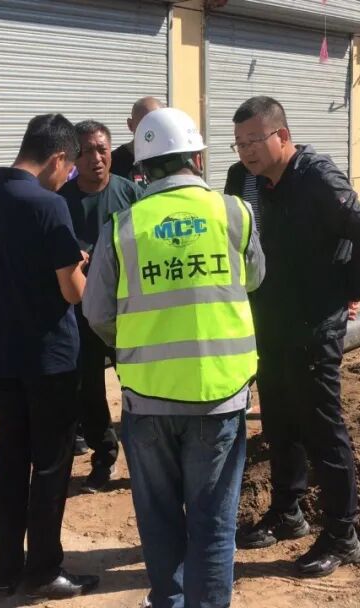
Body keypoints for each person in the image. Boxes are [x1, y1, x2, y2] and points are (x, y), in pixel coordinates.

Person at [84, 107, 265, 608]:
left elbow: (97, 312)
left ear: (142, 169)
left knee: (160, 520)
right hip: (220, 396)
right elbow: (254, 279)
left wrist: (137, 342)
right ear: (198, 158)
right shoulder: (234, 213)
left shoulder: (123, 226)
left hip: (147, 399)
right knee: (213, 524)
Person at [233, 97, 360, 578]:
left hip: (314, 326)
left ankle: (343, 534)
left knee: (323, 428)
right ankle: (288, 512)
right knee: (279, 422)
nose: (246, 152)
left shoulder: (317, 178)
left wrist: (346, 292)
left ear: (282, 135)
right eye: (239, 144)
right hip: (270, 323)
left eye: (254, 141)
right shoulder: (246, 181)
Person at [0, 113, 99, 599]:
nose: (68, 177)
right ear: (58, 158)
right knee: (52, 465)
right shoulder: (49, 205)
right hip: (50, 357)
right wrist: (80, 268)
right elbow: (72, 291)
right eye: (70, 168)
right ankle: (43, 569)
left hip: (0, 353)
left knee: (10, 460)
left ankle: (4, 567)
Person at [57, 119, 141, 494]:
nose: (96, 158)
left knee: (136, 385)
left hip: (128, 311)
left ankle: (143, 458)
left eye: (102, 149)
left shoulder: (132, 195)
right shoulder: (61, 201)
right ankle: (103, 456)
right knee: (87, 389)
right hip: (81, 312)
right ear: (75, 156)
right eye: (88, 150)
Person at [110, 96, 165, 183]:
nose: (152, 129)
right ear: (130, 125)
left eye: (158, 122)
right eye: (145, 123)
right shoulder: (113, 163)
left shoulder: (173, 159)